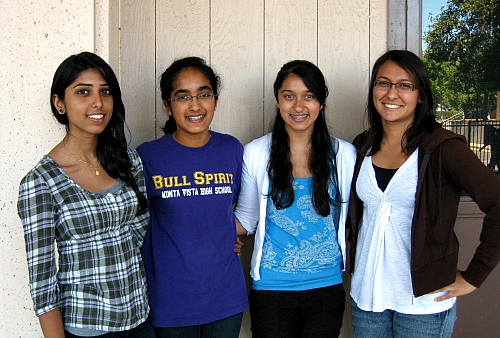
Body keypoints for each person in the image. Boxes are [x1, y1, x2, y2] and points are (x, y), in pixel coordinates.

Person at [347, 50, 500, 337]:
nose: (392, 93)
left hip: (423, 305)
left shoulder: (443, 147)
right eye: (383, 83)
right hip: (367, 299)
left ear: (421, 95)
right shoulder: (363, 145)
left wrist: (474, 276)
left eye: (405, 85)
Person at [17, 52, 153, 338]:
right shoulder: (41, 181)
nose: (97, 103)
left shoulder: (127, 160)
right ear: (59, 103)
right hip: (88, 326)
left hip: (140, 318)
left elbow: (140, 228)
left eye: (105, 91)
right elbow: (42, 282)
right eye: (83, 92)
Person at [235, 60, 356, 337]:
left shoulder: (345, 155)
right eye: (289, 96)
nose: (298, 106)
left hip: (326, 287)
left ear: (321, 103)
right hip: (271, 290)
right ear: (278, 100)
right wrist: (215, 237)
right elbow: (247, 218)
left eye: (309, 96)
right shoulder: (256, 153)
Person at [137, 56, 248, 338]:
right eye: (183, 96)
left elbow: (233, 208)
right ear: (167, 105)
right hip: (170, 298)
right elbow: (135, 224)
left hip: (225, 296)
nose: (195, 105)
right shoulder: (147, 156)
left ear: (215, 100)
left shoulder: (231, 149)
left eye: (204, 94)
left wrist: (231, 236)